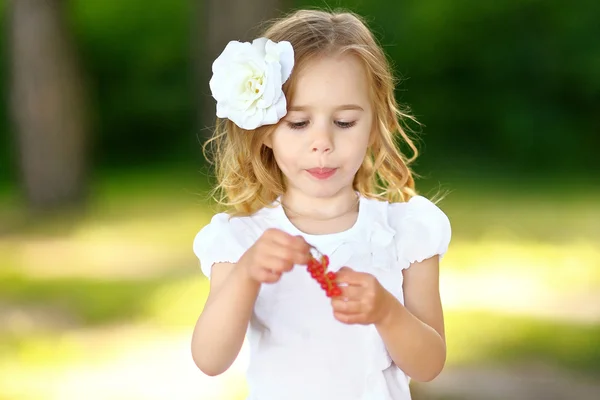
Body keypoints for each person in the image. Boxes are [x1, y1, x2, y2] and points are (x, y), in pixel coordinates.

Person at [191, 8, 451, 400]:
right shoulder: (243, 240)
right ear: (263, 131)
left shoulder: (404, 231)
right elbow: (210, 359)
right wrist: (246, 275)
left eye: (344, 121)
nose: (323, 142)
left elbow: (430, 365)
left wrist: (386, 312)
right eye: (298, 123)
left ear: (374, 123)